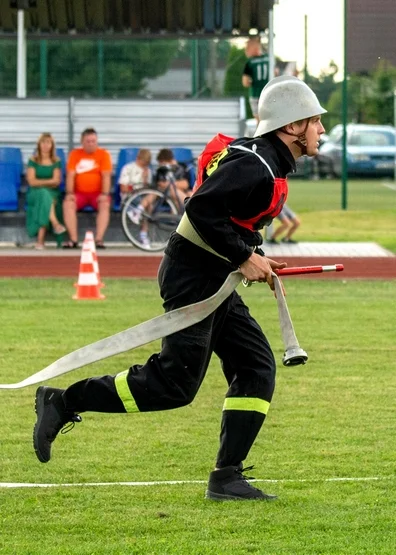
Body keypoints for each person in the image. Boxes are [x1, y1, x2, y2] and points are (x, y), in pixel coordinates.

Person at [33, 76, 326, 501]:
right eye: (315, 121)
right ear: (292, 126)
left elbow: (228, 218)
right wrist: (245, 257)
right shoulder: (255, 165)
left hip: (212, 275)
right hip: (194, 277)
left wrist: (251, 252)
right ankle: (63, 401)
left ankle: (227, 477)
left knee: (256, 366)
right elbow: (201, 209)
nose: (321, 130)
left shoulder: (266, 161)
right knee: (173, 386)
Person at [62, 128, 112, 249]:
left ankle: (99, 239)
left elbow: (106, 176)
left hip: (97, 194)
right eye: (88, 141)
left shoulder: (103, 154)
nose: (91, 144)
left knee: (105, 203)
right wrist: (69, 193)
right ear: (82, 142)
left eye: (93, 141)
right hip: (79, 194)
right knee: (68, 203)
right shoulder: (75, 154)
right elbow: (70, 175)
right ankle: (73, 240)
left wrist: (104, 194)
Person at [26, 133, 66, 250]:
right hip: (34, 193)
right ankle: (56, 224)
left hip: (53, 193)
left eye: (48, 142)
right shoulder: (32, 160)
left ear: (52, 145)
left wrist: (40, 182)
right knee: (44, 195)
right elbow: (31, 182)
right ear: (39, 144)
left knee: (45, 199)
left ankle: (40, 241)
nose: (45, 145)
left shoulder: (56, 161)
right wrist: (49, 182)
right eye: (43, 142)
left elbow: (57, 181)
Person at [242, 36, 271, 124]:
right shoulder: (269, 59)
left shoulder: (249, 63)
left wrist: (252, 81)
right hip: (268, 94)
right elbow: (275, 72)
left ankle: (260, 136)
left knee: (259, 121)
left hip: (256, 95)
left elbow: (245, 82)